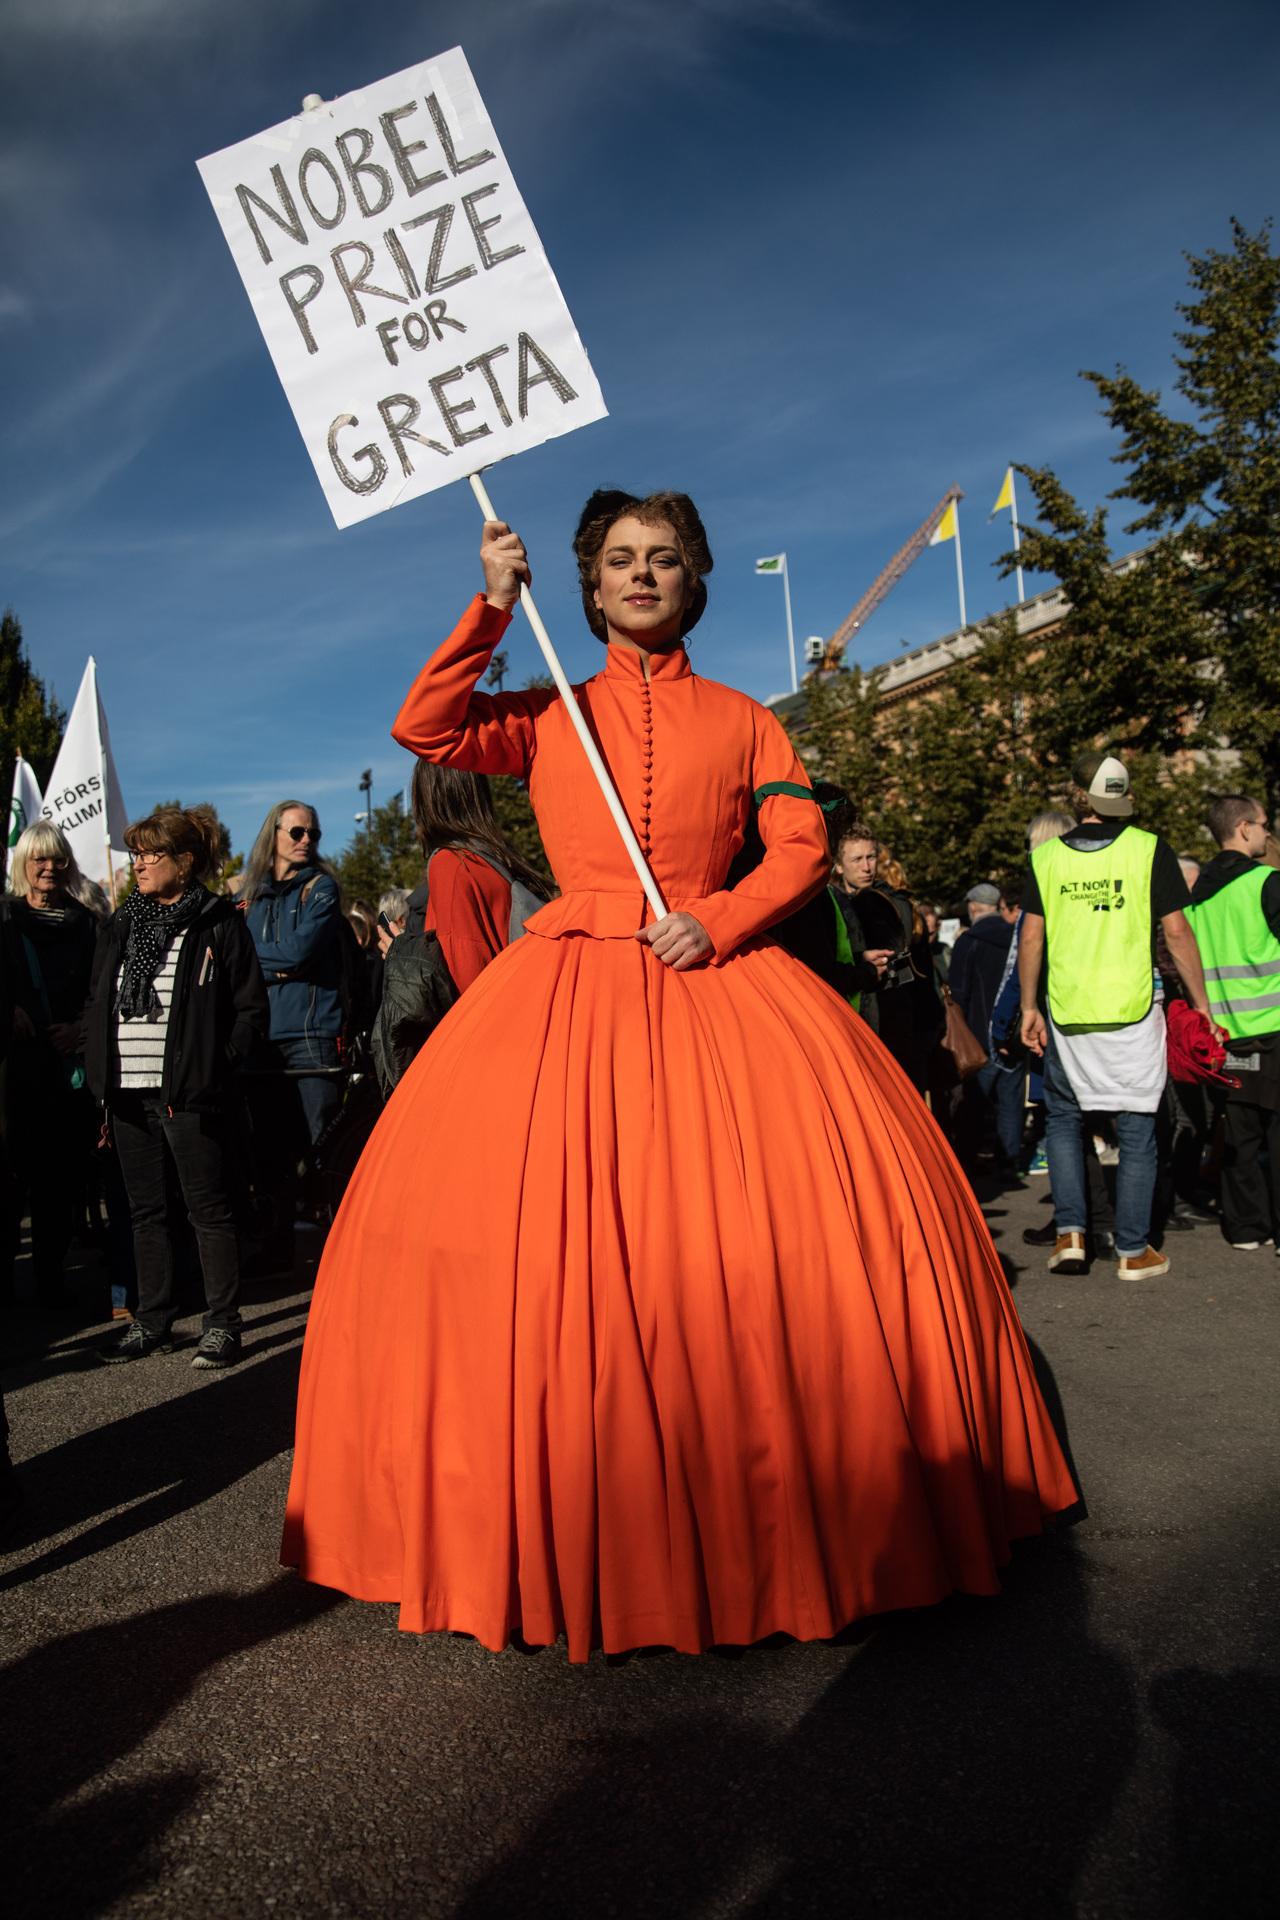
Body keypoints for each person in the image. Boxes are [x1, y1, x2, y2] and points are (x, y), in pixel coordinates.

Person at [281, 489, 1075, 1659]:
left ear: (690, 580)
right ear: (589, 586)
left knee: (778, 1232)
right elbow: (426, 728)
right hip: (561, 994)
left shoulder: (750, 719)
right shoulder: (549, 713)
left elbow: (800, 845)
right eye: (617, 560)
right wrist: (491, 606)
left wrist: (720, 915)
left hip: (719, 973)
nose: (640, 575)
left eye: (660, 560)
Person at [1018, 752, 1212, 1280]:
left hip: (1068, 1010)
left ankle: (1072, 1235)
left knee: (1063, 1119)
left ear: (1077, 796)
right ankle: (1132, 1249)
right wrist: (1200, 1004)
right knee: (1136, 1125)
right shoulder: (1148, 850)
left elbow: (1032, 936)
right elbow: (1176, 932)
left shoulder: (1048, 859)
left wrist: (1030, 1005)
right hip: (1130, 1009)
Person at [88, 806, 267, 1367]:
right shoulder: (124, 921)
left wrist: (215, 1067)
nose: (138, 864)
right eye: (135, 854)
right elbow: (99, 999)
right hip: (126, 1093)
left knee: (206, 1210)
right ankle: (153, 1320)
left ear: (184, 861)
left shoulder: (218, 921)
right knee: (144, 1213)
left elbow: (249, 1010)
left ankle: (222, 1324)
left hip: (189, 1093)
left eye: (150, 854)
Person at [373, 761, 552, 1095]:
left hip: (482, 1058)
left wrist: (404, 955)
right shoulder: (498, 863)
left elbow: (462, 978)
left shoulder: (451, 864)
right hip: (522, 1039)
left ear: (426, 797)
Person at [240, 801, 346, 1267]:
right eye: (298, 832)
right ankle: (278, 1249)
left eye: (314, 834)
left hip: (311, 1037)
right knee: (270, 1154)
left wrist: (257, 965)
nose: (307, 841)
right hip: (262, 1041)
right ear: (276, 834)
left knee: (320, 1152)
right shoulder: (251, 898)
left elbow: (299, 952)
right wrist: (273, 967)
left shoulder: (322, 888)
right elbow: (240, 963)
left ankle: (341, 1253)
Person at [0, 823, 100, 1311]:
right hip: (15, 1070)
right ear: (24, 863)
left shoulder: (86, 923)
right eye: (39, 858)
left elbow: (102, 990)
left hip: (66, 1068)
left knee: (60, 1180)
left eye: (58, 859)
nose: (49, 867)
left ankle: (49, 1278)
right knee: (12, 1177)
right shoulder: (5, 920)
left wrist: (81, 1027)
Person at [1187, 797, 1280, 1251]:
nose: (1268, 833)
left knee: (1240, 1134)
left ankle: (1246, 1228)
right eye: (1265, 825)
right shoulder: (1267, 883)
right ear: (1244, 829)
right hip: (1274, 1023)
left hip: (1223, 1033)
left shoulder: (1199, 893)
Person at [950, 879, 1025, 1180]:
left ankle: (968, 1160)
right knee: (1011, 1102)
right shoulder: (1017, 938)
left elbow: (959, 992)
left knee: (975, 1102)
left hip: (977, 1035)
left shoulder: (969, 942)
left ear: (973, 908)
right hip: (1014, 1032)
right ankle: (1010, 1161)